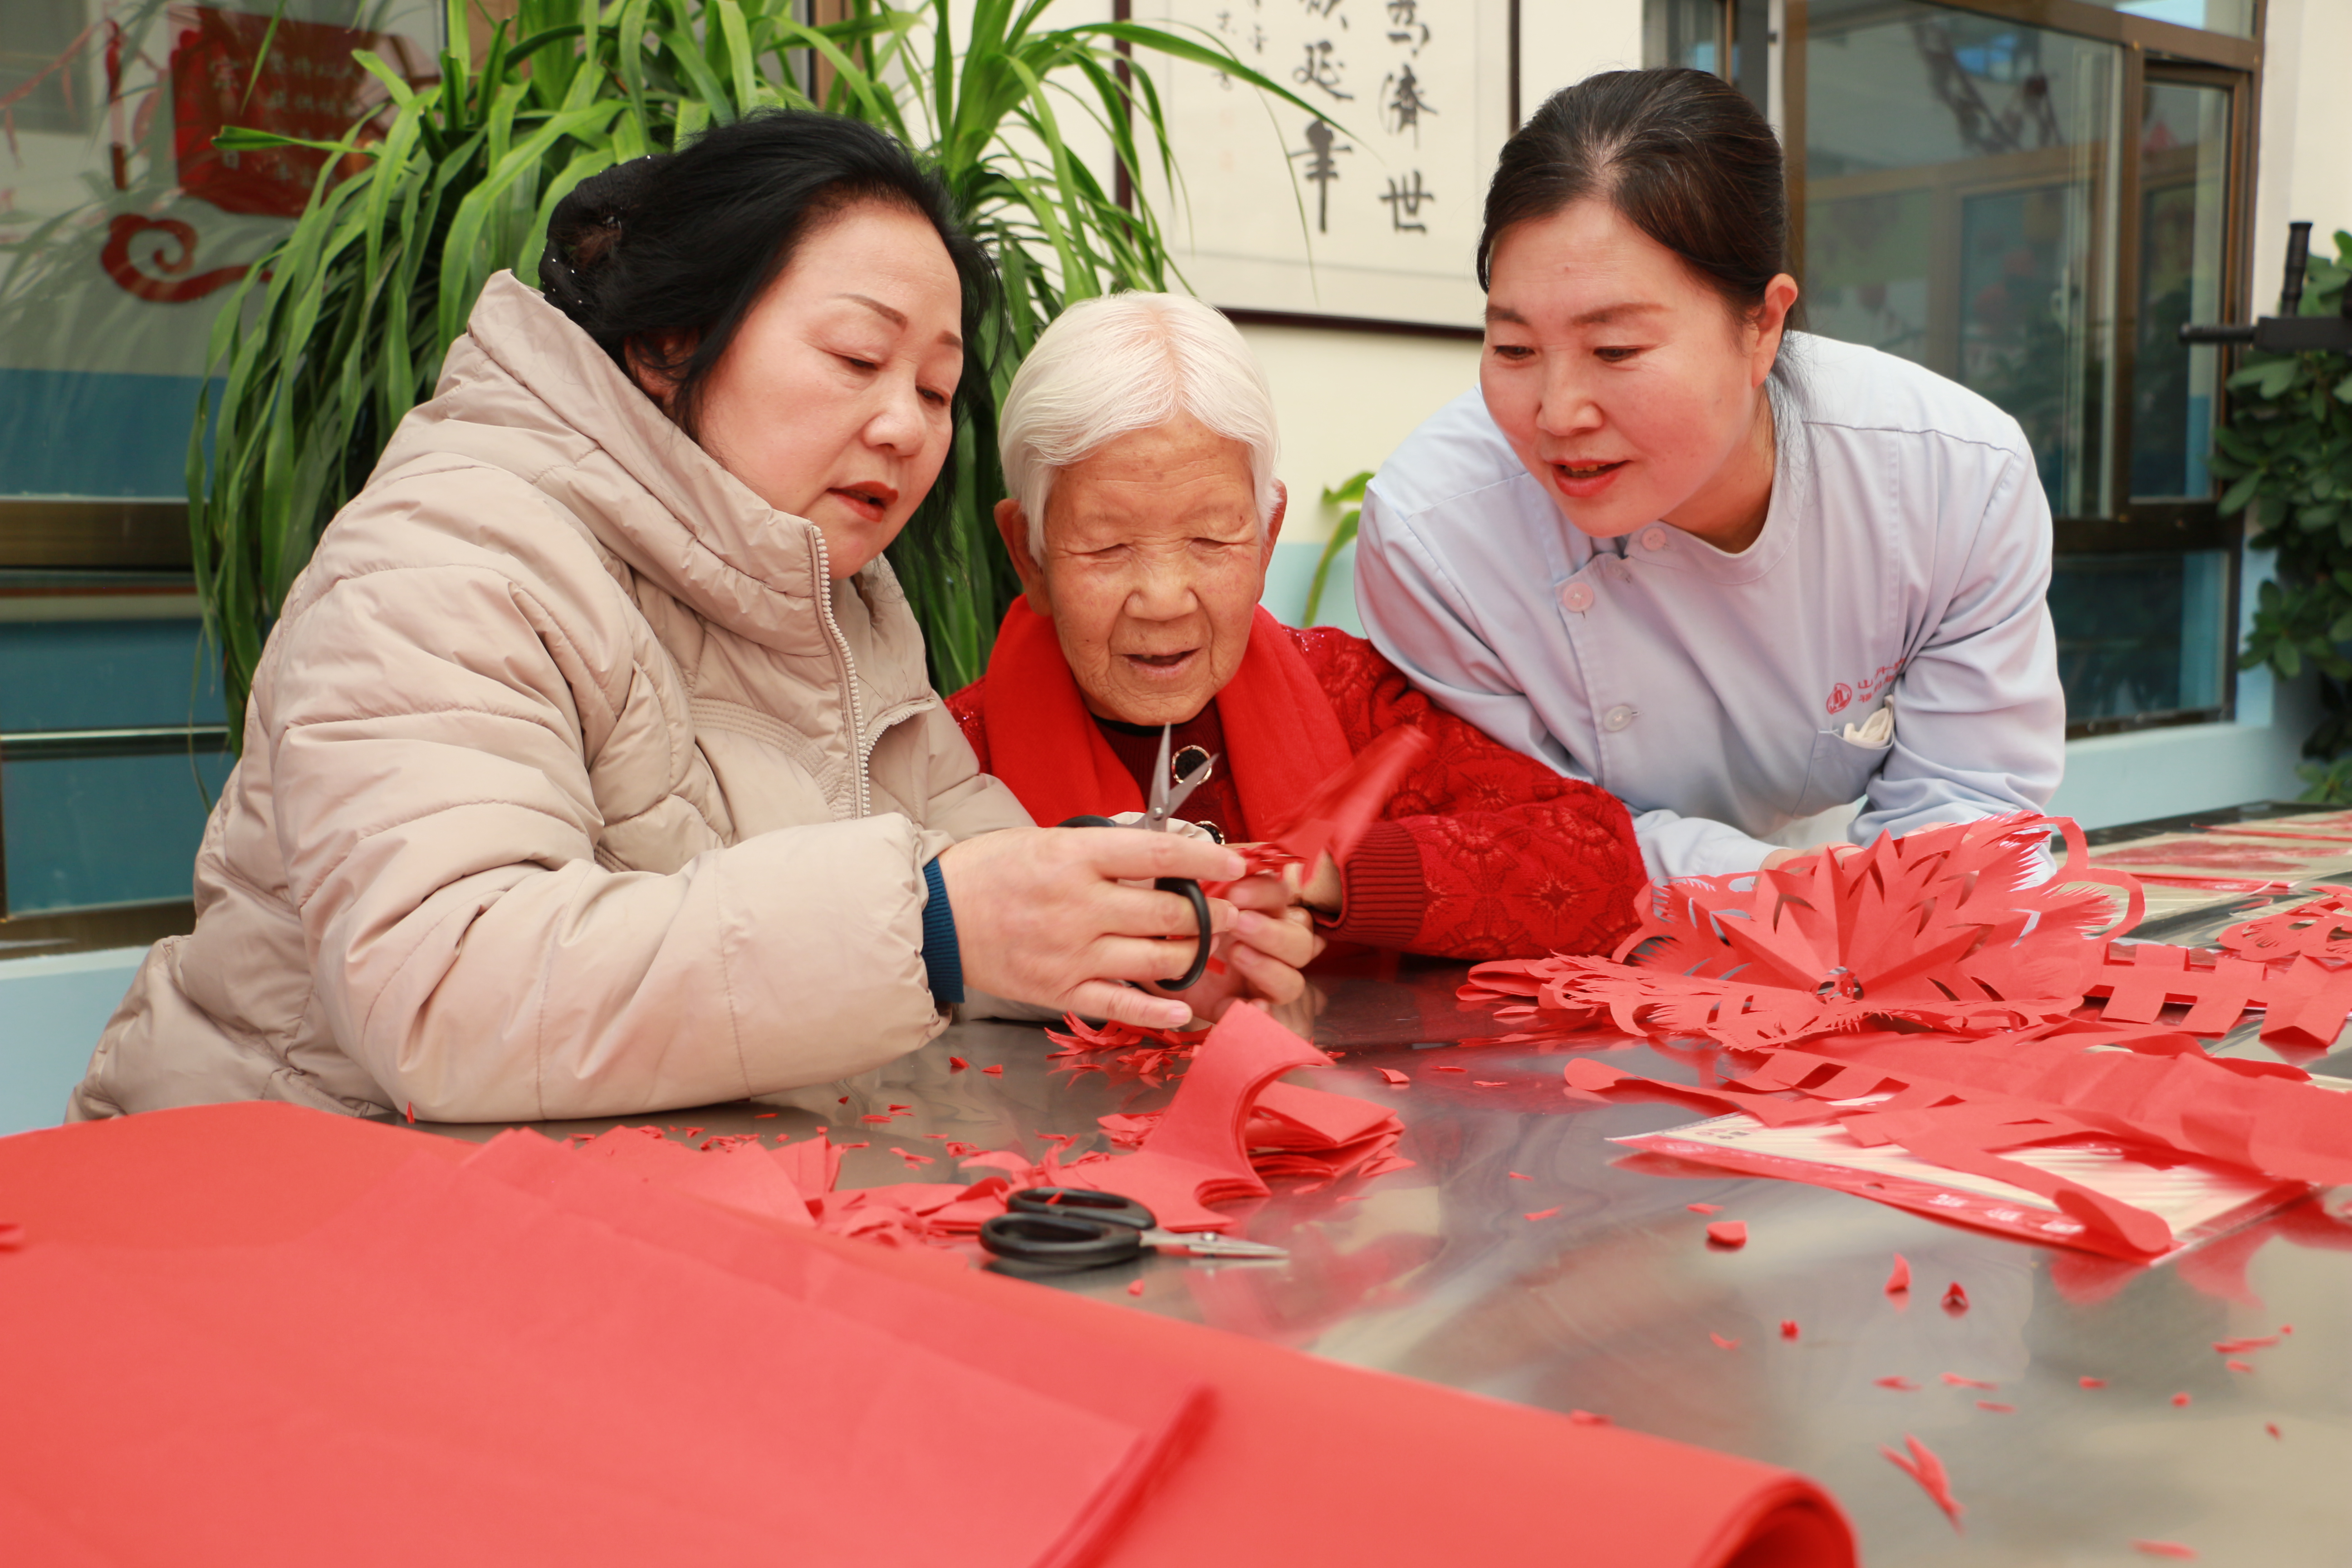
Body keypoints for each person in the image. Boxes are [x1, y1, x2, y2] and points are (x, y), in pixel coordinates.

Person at [72, 113, 1311, 1125]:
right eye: (855, 360)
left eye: (936, 388)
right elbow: (446, 993)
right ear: (676, 340)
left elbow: (973, 870)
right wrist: (933, 926)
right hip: (284, 1217)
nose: (905, 425)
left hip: (586, 1224)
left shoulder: (841, 600)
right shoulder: (451, 553)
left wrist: (1128, 951)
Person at [1353, 69, 2065, 884]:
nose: (1557, 414)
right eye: (1514, 349)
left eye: (1615, 349)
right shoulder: (1433, 535)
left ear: (1763, 326)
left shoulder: (1952, 478)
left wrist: (1867, 920)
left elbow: (1971, 806)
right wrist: (1788, 896)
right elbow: (1523, 837)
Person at [945, 291, 1648, 963]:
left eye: (1212, 540)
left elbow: (1602, 860)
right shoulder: (950, 756)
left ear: (1267, 539)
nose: (1162, 599)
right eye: (1106, 547)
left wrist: (1324, 872)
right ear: (1028, 554)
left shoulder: (1355, 699)